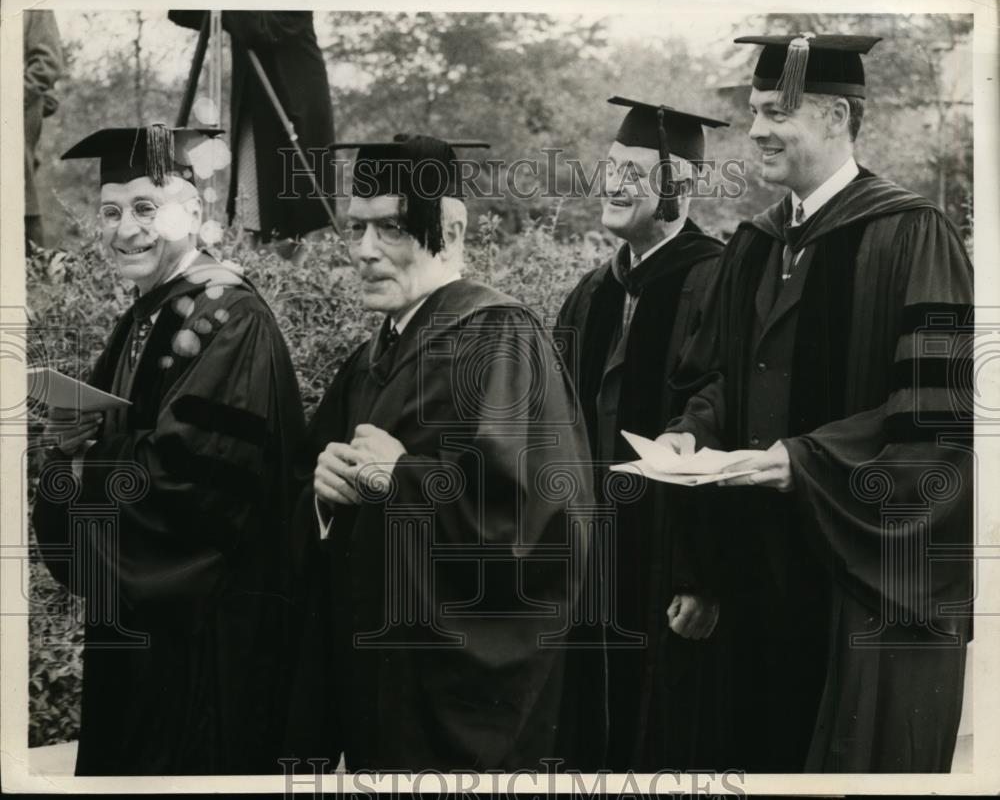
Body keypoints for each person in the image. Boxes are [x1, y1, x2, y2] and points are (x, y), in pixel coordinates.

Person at [659, 34, 973, 772]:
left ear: (836, 115)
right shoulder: (758, 244)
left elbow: (937, 416)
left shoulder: (912, 233)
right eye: (755, 112)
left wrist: (798, 462)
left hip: (856, 579)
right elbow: (721, 378)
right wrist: (688, 432)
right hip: (758, 580)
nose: (758, 130)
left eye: (777, 112)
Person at [293, 133, 598, 771]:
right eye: (357, 230)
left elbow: (536, 524)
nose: (365, 252)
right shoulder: (371, 357)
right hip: (379, 683)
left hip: (454, 702)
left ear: (451, 230)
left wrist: (401, 478)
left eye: (393, 230)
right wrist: (322, 493)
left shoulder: (498, 339)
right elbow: (320, 492)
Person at [32, 124, 307, 775]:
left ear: (196, 212)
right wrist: (66, 453)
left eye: (146, 207)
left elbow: (195, 481)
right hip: (146, 629)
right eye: (110, 211)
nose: (125, 228)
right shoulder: (146, 315)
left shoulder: (228, 317)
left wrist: (86, 461)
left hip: (206, 638)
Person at [555, 97, 728, 770]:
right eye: (611, 165)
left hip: (665, 569)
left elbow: (725, 413)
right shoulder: (591, 291)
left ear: (679, 186)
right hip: (587, 564)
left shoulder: (717, 278)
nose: (614, 181)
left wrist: (703, 572)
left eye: (635, 169)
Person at [168, 11, 335, 252]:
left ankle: (299, 277)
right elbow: (187, 12)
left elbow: (255, 28)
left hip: (294, 101)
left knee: (298, 213)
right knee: (252, 211)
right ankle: (254, 269)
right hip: (255, 107)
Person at [23, 9, 63, 251]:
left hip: (14, 113)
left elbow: (47, 62)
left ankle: (35, 277)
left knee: (20, 194)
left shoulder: (33, 4)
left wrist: (11, 95)